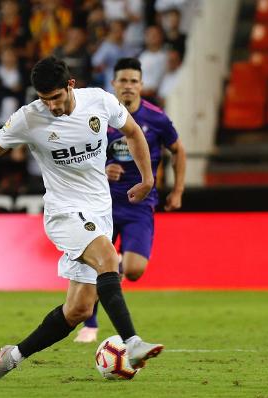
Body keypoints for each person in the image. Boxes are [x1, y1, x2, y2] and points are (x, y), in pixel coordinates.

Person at [0, 56, 163, 379]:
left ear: (71, 85)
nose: (52, 106)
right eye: (45, 100)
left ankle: (12, 357)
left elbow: (133, 132)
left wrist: (147, 179)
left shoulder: (99, 101)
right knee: (108, 258)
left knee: (79, 310)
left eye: (56, 98)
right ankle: (132, 342)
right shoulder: (29, 118)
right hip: (64, 213)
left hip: (100, 212)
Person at [74, 57, 186, 343]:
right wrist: (101, 168)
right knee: (96, 263)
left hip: (140, 206)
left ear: (141, 85)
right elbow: (78, 155)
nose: (128, 86)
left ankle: (115, 266)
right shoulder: (96, 117)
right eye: (122, 80)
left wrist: (177, 191)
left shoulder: (156, 118)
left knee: (134, 271)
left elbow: (178, 150)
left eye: (133, 81)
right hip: (104, 204)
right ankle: (91, 324)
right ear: (113, 84)